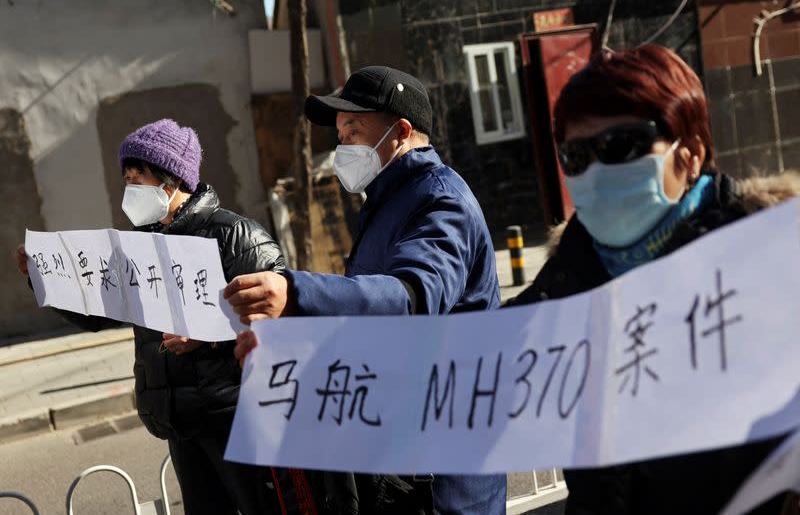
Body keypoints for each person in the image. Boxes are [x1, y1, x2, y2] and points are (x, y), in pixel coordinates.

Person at [506, 45, 800, 514]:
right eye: (577, 156)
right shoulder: (569, 279)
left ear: (691, 154)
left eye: (621, 146)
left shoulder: (779, 265)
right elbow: (467, 363)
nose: (598, 172)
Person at [225, 66, 507, 514]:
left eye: (353, 130)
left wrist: (295, 293)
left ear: (401, 132)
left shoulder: (440, 201)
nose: (342, 147)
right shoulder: (389, 201)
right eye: (339, 135)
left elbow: (410, 298)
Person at [15, 119, 285, 515]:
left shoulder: (236, 236)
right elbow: (99, 313)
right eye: (125, 180)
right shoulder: (137, 247)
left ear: (171, 180)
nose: (128, 191)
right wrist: (42, 279)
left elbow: (277, 317)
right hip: (179, 422)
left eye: (136, 179)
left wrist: (209, 336)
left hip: (238, 419)